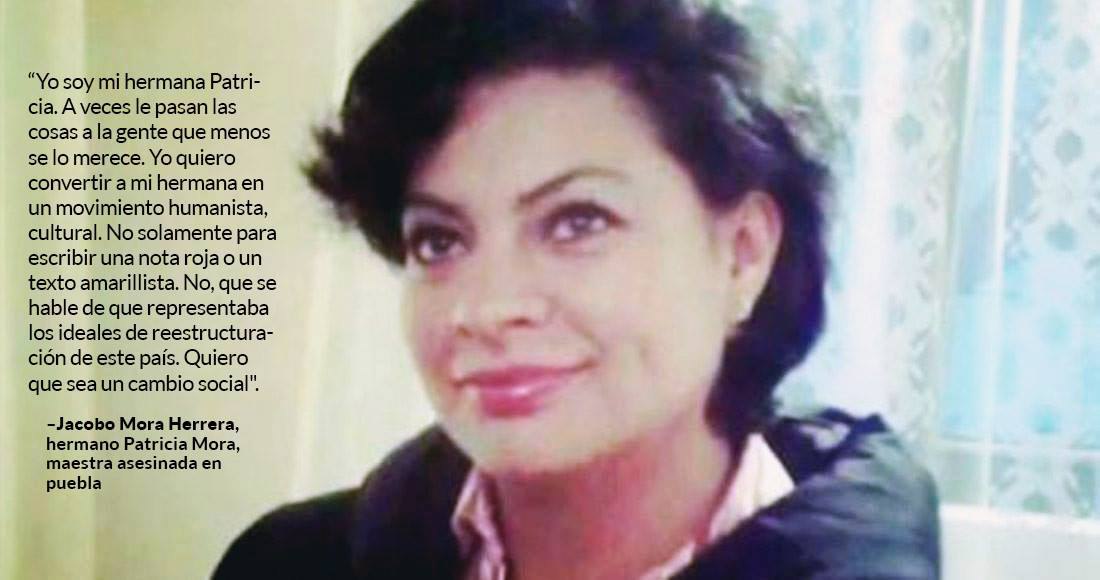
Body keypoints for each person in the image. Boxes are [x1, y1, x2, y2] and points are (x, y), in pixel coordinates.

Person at [214, 1, 940, 578]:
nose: (486, 309)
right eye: (439, 240)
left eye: (577, 221)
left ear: (743, 253)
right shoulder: (288, 562)